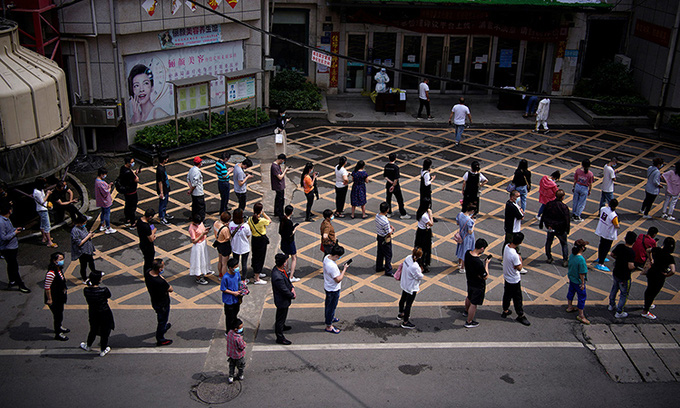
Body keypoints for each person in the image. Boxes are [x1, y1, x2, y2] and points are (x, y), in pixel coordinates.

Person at [81, 272, 115, 357]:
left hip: (93, 313)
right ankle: (103, 349)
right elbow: (108, 296)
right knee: (105, 331)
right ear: (99, 280)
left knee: (93, 329)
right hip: (105, 312)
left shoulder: (86, 290)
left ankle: (88, 345)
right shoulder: (104, 290)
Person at [641, 237, 676, 320]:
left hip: (652, 272)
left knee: (649, 289)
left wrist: (651, 259)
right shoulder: (669, 257)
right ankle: (645, 311)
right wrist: (667, 275)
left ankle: (647, 304)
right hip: (659, 276)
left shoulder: (657, 250)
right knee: (653, 292)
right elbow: (673, 271)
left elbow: (648, 250)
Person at [501, 232, 530, 326]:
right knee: (517, 298)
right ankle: (520, 315)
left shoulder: (506, 247)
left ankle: (505, 310)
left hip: (507, 277)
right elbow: (519, 268)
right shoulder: (514, 255)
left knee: (507, 295)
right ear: (520, 242)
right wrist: (520, 259)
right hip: (514, 279)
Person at [0, 205, 30, 293]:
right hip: (8, 248)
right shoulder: (1, 222)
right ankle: (21, 285)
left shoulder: (6, 219)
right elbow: (3, 237)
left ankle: (12, 281)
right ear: (9, 210)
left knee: (11, 265)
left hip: (12, 246)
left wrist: (15, 229)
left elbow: (8, 231)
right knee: (14, 266)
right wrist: (15, 233)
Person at [144, 259, 173, 346]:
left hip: (154, 300)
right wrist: (163, 278)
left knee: (161, 318)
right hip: (162, 303)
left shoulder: (148, 273)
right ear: (160, 269)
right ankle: (160, 339)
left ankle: (163, 328)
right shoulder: (160, 281)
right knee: (162, 320)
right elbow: (170, 289)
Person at [609, 231, 637, 319]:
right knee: (623, 294)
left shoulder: (620, 246)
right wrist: (635, 267)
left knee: (614, 288)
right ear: (634, 241)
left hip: (616, 272)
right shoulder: (631, 252)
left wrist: (619, 259)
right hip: (624, 276)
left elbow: (612, 254)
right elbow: (630, 266)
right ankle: (619, 311)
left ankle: (611, 305)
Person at [464, 239, 491, 328]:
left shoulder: (467, 253)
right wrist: (486, 264)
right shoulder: (478, 262)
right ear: (482, 248)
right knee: (474, 303)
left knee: (469, 296)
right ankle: (469, 321)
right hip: (478, 285)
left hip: (470, 281)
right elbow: (485, 276)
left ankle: (466, 311)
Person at [540, 189, 571, 267]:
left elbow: (544, 215)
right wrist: (567, 229)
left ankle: (549, 257)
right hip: (560, 228)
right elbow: (567, 219)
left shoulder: (549, 204)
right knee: (564, 244)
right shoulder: (564, 207)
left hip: (550, 227)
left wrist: (543, 224)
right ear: (563, 197)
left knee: (549, 242)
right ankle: (565, 260)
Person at [323, 245, 349, 334]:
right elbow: (338, 279)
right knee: (331, 307)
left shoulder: (327, 257)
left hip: (327, 286)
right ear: (336, 256)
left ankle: (330, 318)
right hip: (333, 289)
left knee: (329, 305)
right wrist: (344, 269)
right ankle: (329, 325)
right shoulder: (332, 266)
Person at [271, 253, 296, 344]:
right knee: (280, 318)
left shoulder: (281, 270)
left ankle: (282, 326)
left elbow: (287, 280)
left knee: (282, 316)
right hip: (281, 300)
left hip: (284, 299)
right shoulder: (277, 276)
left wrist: (292, 287)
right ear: (283, 263)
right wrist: (292, 295)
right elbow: (283, 290)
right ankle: (280, 336)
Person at [44, 252, 69, 341]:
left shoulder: (59, 269)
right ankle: (58, 333)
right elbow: (47, 287)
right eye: (60, 259)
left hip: (60, 296)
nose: (62, 261)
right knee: (57, 316)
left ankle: (59, 327)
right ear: (54, 261)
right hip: (54, 298)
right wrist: (50, 299)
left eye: (62, 259)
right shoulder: (51, 273)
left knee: (60, 314)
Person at [398, 247, 424, 329]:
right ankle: (405, 321)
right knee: (408, 304)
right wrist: (421, 271)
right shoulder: (415, 266)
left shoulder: (408, 258)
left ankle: (401, 313)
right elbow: (420, 276)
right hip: (411, 287)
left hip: (405, 283)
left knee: (403, 299)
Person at [566, 239, 591, 324]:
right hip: (578, 281)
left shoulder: (572, 256)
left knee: (571, 292)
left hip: (571, 278)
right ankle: (581, 315)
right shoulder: (581, 260)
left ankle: (570, 307)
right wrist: (583, 283)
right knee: (582, 297)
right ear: (582, 248)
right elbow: (582, 273)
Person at [594, 199, 620, 272]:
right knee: (606, 248)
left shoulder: (603, 209)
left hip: (602, 230)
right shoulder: (613, 215)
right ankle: (601, 263)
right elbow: (617, 225)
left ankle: (600, 257)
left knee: (601, 245)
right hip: (608, 233)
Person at [71, 215, 98, 283]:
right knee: (83, 265)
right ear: (80, 223)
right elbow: (79, 243)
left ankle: (94, 272)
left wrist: (90, 235)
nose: (85, 224)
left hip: (88, 249)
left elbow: (86, 235)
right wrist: (88, 236)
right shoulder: (75, 231)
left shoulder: (83, 228)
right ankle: (84, 278)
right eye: (84, 223)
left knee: (91, 262)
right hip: (82, 251)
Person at [248, 203, 270, 285]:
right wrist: (264, 213)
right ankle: (257, 278)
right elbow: (269, 221)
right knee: (260, 257)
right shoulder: (261, 220)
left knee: (255, 255)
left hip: (254, 239)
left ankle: (257, 272)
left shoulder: (250, 219)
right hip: (261, 240)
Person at [189, 214, 214, 285]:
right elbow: (194, 241)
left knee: (204, 258)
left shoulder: (200, 223)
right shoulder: (191, 228)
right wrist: (202, 234)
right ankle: (198, 277)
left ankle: (206, 269)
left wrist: (205, 231)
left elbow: (202, 229)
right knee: (198, 261)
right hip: (198, 245)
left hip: (203, 243)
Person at [383, 153, 410, 219]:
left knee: (388, 199)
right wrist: (393, 185)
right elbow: (396, 178)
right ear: (395, 159)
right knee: (399, 200)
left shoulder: (386, 166)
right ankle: (403, 213)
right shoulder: (396, 167)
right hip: (395, 186)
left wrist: (390, 182)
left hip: (388, 185)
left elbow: (385, 176)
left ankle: (389, 212)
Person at [33, 177, 56, 247]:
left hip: (43, 209)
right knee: (47, 226)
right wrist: (48, 194)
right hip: (42, 209)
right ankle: (49, 242)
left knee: (42, 225)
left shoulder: (39, 190)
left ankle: (44, 237)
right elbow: (42, 201)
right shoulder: (37, 192)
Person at [279, 205, 300, 282]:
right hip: (290, 242)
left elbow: (280, 231)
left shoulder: (282, 219)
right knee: (294, 258)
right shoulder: (289, 222)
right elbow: (290, 233)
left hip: (283, 241)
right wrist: (295, 229)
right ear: (291, 212)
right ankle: (291, 276)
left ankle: (286, 270)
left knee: (286, 256)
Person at [229, 208, 252, 281]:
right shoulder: (245, 226)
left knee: (235, 263)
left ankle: (235, 276)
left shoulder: (231, 224)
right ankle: (244, 278)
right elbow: (248, 235)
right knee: (244, 263)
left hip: (235, 247)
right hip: (244, 247)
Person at [221, 258, 242, 333]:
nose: (237, 268)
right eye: (235, 267)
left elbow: (240, 282)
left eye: (237, 266)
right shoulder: (226, 277)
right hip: (229, 300)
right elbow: (223, 289)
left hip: (236, 299)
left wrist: (243, 289)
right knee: (229, 317)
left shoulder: (237, 274)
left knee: (235, 314)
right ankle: (228, 331)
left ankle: (234, 328)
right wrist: (234, 293)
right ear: (230, 268)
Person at [503, 190, 525, 264]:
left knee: (508, 243)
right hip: (512, 229)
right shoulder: (511, 206)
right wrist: (521, 212)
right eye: (517, 196)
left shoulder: (514, 204)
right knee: (511, 243)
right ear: (512, 197)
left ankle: (505, 258)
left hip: (514, 228)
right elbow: (520, 216)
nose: (519, 198)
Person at [414, 199, 434, 273]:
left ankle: (420, 263)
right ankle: (423, 265)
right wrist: (431, 215)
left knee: (419, 247)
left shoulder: (420, 211)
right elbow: (431, 223)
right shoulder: (425, 216)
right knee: (425, 249)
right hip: (425, 233)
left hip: (420, 231)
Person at [119, 157, 140, 228]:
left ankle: (127, 219)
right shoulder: (128, 172)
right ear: (128, 163)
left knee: (127, 205)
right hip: (131, 192)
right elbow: (136, 179)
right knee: (132, 207)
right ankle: (133, 222)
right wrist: (135, 175)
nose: (133, 163)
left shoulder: (123, 168)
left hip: (126, 191)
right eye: (132, 162)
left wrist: (134, 173)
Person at [456, 204, 477, 274]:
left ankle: (459, 264)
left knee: (460, 249)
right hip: (467, 237)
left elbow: (457, 223)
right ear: (472, 211)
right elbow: (470, 231)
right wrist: (474, 223)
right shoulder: (469, 221)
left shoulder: (460, 214)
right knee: (466, 252)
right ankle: (462, 267)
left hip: (461, 234)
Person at [375, 202, 395, 277]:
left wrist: (389, 226)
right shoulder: (385, 220)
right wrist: (392, 229)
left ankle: (379, 267)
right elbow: (388, 233)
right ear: (387, 210)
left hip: (379, 236)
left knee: (380, 253)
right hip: (385, 238)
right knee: (388, 254)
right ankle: (388, 270)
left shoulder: (377, 216)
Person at [95, 168, 116, 234]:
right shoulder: (100, 183)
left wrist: (108, 185)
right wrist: (109, 187)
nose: (105, 176)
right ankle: (108, 227)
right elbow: (105, 192)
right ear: (101, 174)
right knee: (107, 214)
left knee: (103, 212)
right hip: (105, 201)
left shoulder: (97, 181)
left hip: (101, 200)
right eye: (104, 174)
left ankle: (102, 224)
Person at [226, 318, 247, 384]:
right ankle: (240, 375)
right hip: (238, 356)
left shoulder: (229, 333)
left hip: (231, 354)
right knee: (241, 366)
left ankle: (231, 377)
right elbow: (242, 346)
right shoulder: (238, 338)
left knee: (231, 366)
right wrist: (244, 343)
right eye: (241, 327)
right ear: (236, 329)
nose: (242, 328)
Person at [137, 209, 157, 273]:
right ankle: (148, 273)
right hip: (147, 246)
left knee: (147, 260)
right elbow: (151, 239)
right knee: (149, 261)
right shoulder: (146, 226)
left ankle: (147, 272)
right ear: (150, 217)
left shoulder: (139, 220)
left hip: (142, 243)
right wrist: (154, 231)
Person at [213, 211, 232, 278]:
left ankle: (220, 274)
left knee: (220, 261)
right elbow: (228, 237)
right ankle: (225, 277)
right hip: (224, 245)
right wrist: (228, 228)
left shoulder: (216, 223)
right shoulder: (225, 229)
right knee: (224, 263)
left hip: (218, 243)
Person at [156, 153, 173, 225]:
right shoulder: (160, 170)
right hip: (163, 189)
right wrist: (161, 192)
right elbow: (160, 182)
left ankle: (164, 214)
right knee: (162, 203)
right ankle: (161, 217)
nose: (167, 160)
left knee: (165, 203)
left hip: (166, 188)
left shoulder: (162, 167)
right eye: (166, 158)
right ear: (163, 160)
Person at [187, 157, 205, 222]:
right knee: (201, 208)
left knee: (194, 206)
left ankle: (194, 217)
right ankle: (201, 221)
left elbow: (188, 179)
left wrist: (190, 187)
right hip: (198, 192)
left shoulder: (191, 169)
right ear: (199, 163)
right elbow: (195, 184)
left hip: (194, 193)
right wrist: (191, 190)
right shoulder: (197, 172)